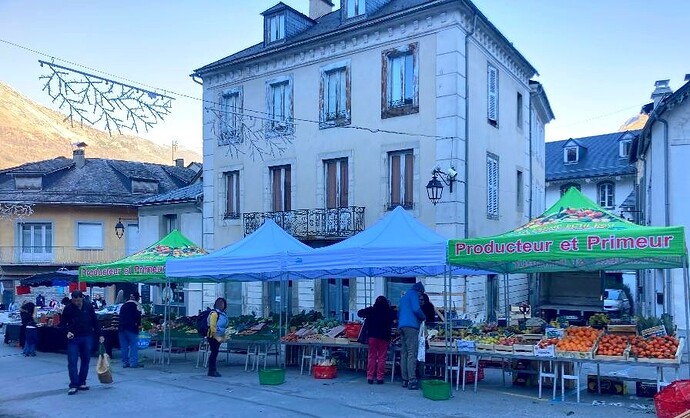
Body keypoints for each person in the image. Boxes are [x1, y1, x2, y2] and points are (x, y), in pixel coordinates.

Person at [61, 290, 104, 395]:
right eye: (75, 301)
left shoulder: (88, 306)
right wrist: (67, 332)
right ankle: (73, 384)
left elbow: (95, 321)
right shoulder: (68, 308)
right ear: (72, 300)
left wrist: (100, 335)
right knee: (72, 361)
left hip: (87, 336)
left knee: (86, 360)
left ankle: (82, 382)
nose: (77, 303)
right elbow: (62, 324)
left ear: (82, 298)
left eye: (79, 300)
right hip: (73, 338)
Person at [357, 296, 396, 385]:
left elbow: (360, 313)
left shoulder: (372, 310)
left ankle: (370, 376)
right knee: (382, 358)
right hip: (384, 337)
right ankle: (380, 377)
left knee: (372, 357)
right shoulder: (388, 312)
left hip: (372, 336)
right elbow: (396, 315)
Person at [397, 282, 426, 390]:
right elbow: (416, 309)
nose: (420, 297)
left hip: (402, 326)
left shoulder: (404, 296)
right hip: (411, 326)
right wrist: (423, 317)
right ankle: (412, 380)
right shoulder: (414, 294)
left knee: (404, 353)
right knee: (412, 353)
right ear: (419, 291)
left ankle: (404, 379)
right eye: (421, 294)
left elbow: (398, 312)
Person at [118, 292, 142, 368]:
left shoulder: (123, 305)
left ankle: (125, 362)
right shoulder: (137, 305)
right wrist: (138, 325)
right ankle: (133, 363)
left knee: (124, 346)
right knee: (133, 346)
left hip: (121, 328)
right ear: (137, 298)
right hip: (132, 328)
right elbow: (138, 317)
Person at [206, 298, 228, 377]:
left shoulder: (223, 313)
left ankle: (212, 370)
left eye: (223, 303)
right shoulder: (214, 313)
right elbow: (212, 326)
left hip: (219, 335)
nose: (221, 305)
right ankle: (212, 371)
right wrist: (216, 336)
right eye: (220, 303)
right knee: (214, 352)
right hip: (213, 336)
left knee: (215, 352)